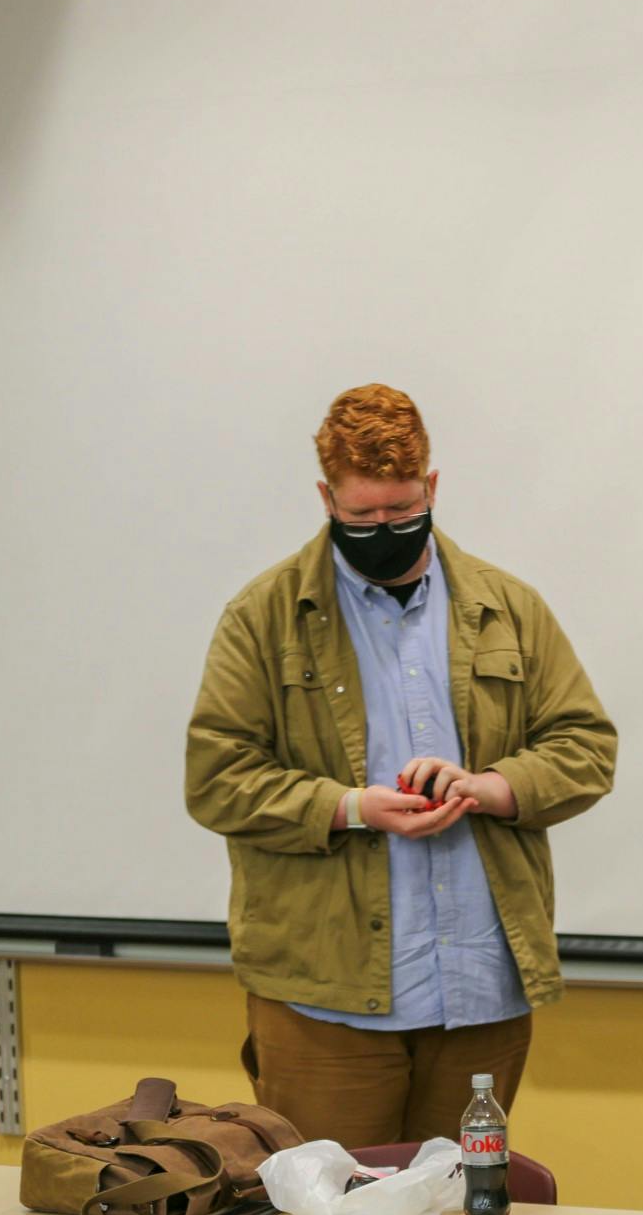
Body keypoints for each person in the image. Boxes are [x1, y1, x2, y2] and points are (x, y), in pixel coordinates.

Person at [185, 384, 616, 1146]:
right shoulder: (265, 614)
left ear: (434, 488)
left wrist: (492, 787)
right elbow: (217, 777)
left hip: (481, 988)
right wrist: (351, 808)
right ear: (326, 497)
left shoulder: (507, 606)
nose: (384, 530)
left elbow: (585, 746)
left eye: (403, 512)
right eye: (362, 517)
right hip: (326, 998)